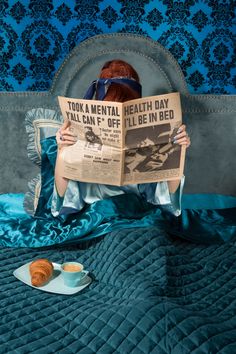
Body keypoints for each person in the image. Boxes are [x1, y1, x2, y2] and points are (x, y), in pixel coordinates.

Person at [53, 59, 190, 217]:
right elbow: (64, 200)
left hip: (137, 217)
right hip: (96, 218)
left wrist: (178, 151)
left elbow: (167, 200)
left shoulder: (147, 142)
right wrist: (62, 151)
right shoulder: (77, 134)